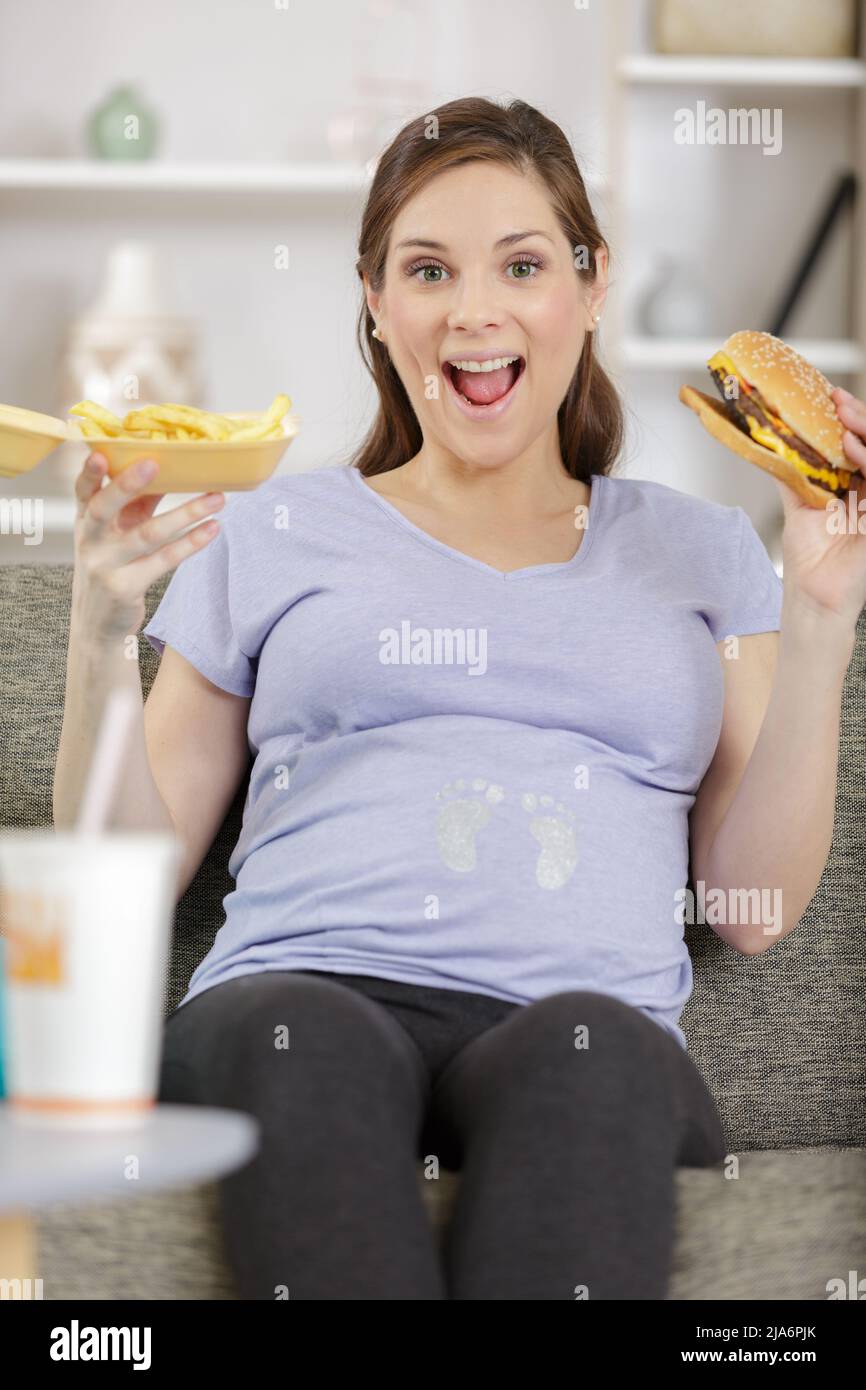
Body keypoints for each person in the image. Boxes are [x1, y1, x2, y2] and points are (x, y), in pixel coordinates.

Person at [54, 97, 866, 1301]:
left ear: (590, 290)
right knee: (304, 1039)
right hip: (300, 991)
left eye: (523, 265)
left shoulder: (704, 551)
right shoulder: (272, 528)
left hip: (583, 1023)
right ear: (375, 304)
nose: (474, 312)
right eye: (426, 269)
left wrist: (818, 621)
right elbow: (123, 873)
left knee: (585, 1063)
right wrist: (100, 623)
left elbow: (747, 908)